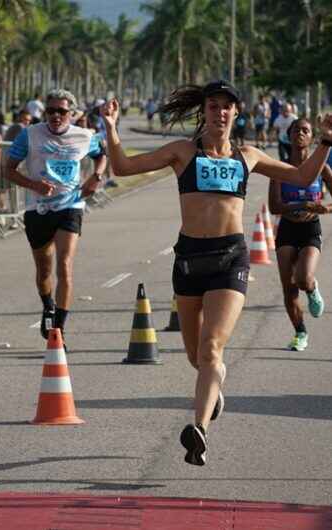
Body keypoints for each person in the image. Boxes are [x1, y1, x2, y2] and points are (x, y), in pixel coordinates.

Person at [100, 80, 332, 466]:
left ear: (236, 113)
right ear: (203, 112)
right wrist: (110, 128)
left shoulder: (249, 156)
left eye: (227, 107)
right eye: (212, 106)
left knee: (211, 350)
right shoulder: (182, 152)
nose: (219, 112)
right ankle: (214, 391)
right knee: (196, 356)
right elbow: (124, 167)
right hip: (190, 259)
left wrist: (326, 141)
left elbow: (303, 177)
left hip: (230, 260)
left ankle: (198, 431)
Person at [5, 89, 106, 346]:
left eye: (61, 111)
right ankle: (48, 305)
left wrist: (96, 177)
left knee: (65, 266)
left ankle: (58, 331)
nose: (56, 116)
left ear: (71, 114)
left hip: (70, 205)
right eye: (51, 111)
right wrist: (33, 184)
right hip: (37, 209)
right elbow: (8, 170)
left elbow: (101, 155)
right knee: (43, 270)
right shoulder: (30, 135)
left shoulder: (84, 136)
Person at [268, 118, 332, 351]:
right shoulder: (280, 169)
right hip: (287, 229)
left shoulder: (322, 168)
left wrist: (325, 208)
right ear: (289, 135)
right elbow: (274, 206)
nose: (300, 134)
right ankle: (300, 332)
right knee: (289, 287)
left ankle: (313, 289)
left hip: (310, 229)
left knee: (303, 278)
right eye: (296, 130)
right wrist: (302, 206)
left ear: (312, 137)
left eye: (305, 130)